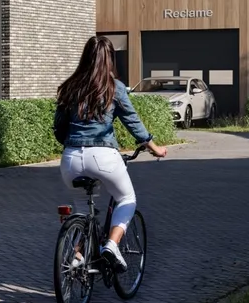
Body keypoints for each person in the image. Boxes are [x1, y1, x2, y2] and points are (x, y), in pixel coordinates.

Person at [53, 34, 169, 268]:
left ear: (85, 58)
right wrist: (155, 148)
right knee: (126, 198)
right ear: (109, 60)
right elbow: (133, 122)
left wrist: (72, 142)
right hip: (103, 157)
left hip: (70, 159)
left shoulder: (70, 87)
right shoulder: (114, 87)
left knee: (83, 211)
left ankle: (77, 257)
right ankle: (112, 246)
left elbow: (59, 127)